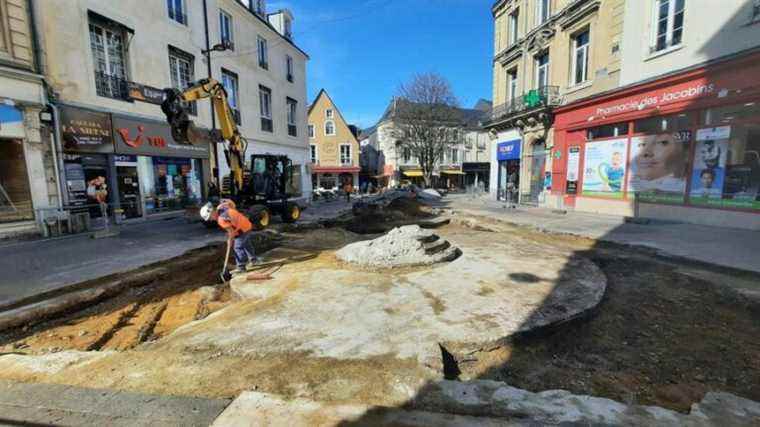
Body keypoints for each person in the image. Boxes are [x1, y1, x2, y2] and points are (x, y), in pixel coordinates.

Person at [201, 199, 260, 275]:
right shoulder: (221, 207)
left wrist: (230, 240)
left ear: (212, 212)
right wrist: (227, 201)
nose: (211, 220)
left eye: (210, 218)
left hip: (242, 230)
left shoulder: (221, 220)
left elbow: (231, 232)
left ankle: (241, 266)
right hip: (247, 225)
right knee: (246, 244)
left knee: (237, 247)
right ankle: (254, 260)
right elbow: (232, 204)